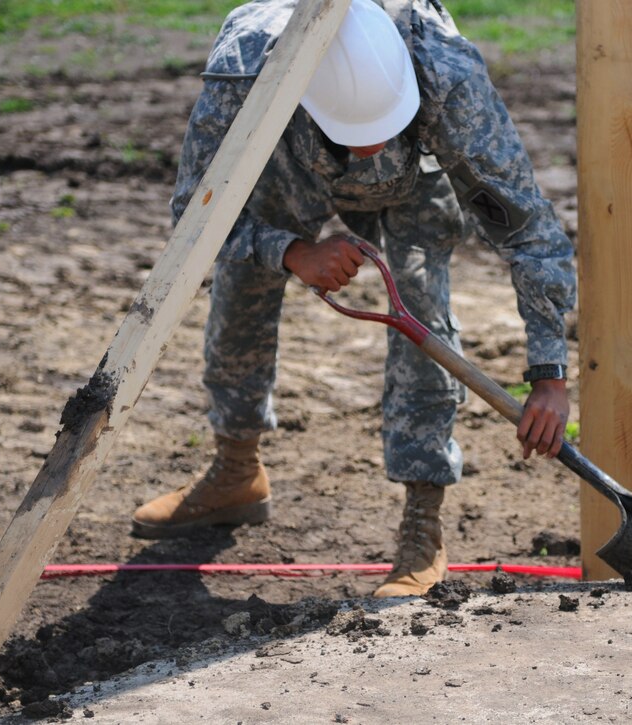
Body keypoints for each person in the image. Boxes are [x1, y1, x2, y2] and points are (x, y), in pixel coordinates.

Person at [131, 0, 577, 598]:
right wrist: (292, 252)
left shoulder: (447, 76)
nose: (368, 153)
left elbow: (529, 229)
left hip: (417, 173)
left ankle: (423, 525)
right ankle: (236, 470)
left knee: (421, 299)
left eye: (379, 132)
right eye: (356, 137)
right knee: (243, 279)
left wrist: (549, 373)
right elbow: (194, 218)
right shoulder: (245, 70)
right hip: (291, 158)